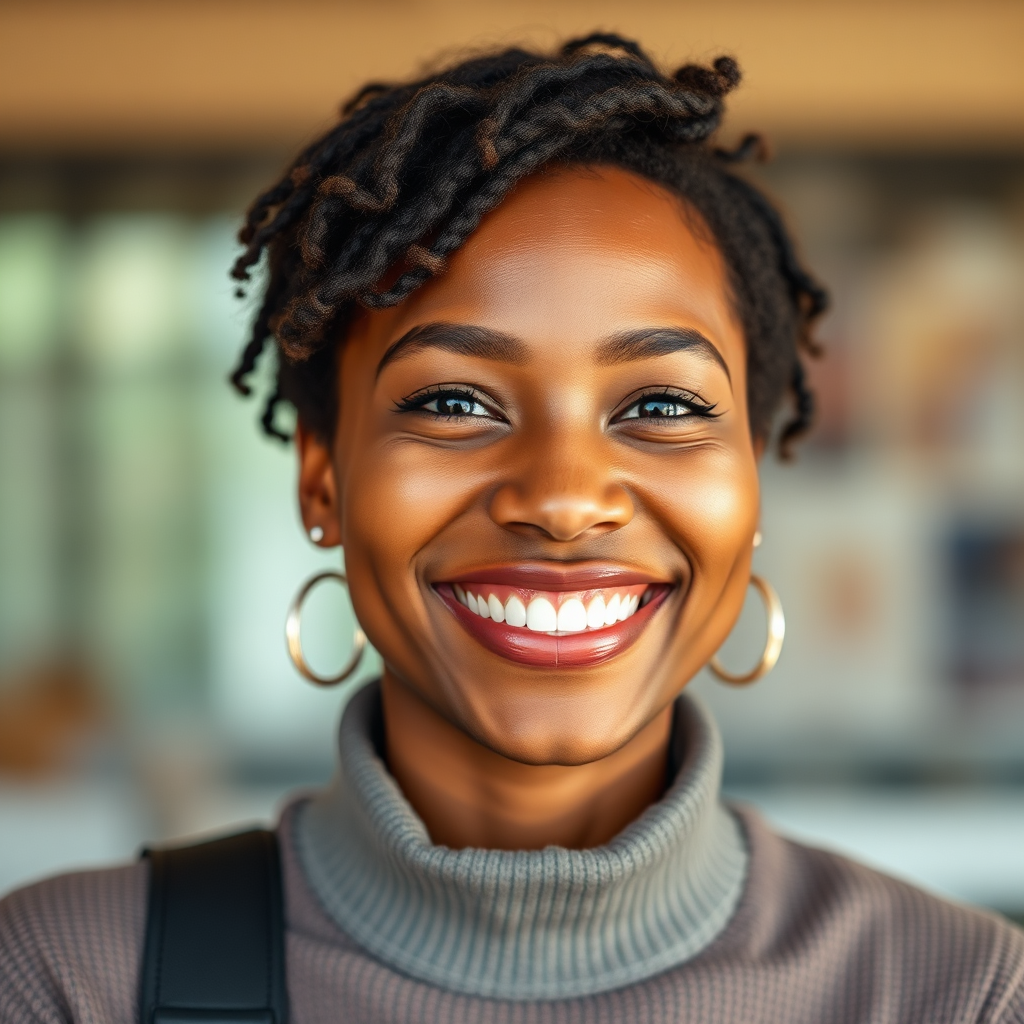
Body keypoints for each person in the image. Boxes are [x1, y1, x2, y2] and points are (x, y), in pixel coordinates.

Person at [2, 33, 1022, 1024]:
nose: (564, 498)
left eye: (660, 407)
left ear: (751, 482)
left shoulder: (956, 994)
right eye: (454, 401)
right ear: (322, 478)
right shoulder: (70, 983)